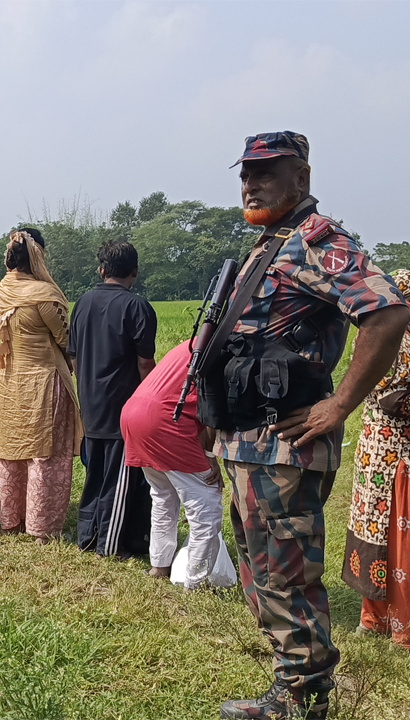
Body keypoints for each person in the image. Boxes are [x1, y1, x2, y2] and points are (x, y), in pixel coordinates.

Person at [212, 132, 408, 720]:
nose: (250, 185)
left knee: (286, 573)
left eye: (266, 173)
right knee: (260, 569)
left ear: (301, 178)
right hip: (248, 440)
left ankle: (301, 697)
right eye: (246, 174)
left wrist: (339, 405)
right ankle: (291, 679)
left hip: (283, 444)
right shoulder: (270, 242)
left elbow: (388, 311)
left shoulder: (317, 243)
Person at [0, 229, 82, 544]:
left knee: (12, 451)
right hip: (43, 381)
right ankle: (42, 528)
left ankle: (11, 521)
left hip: (10, 382)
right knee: (45, 453)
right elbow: (65, 338)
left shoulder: (1, 292)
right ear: (38, 255)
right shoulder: (44, 294)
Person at [68, 240, 157, 559]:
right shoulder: (137, 307)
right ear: (135, 271)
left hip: (90, 403)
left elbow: (74, 357)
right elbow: (145, 364)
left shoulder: (82, 303)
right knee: (118, 481)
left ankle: (86, 537)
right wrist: (152, 401)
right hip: (123, 407)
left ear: (101, 270)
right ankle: (109, 545)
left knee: (95, 475)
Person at [121, 342, 228, 588]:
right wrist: (209, 457)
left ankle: (159, 566)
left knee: (163, 495)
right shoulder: (223, 349)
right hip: (165, 420)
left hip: (134, 413)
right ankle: (196, 582)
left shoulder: (194, 343)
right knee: (206, 504)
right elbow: (211, 411)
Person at [345, 270, 410, 651]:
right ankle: (390, 623)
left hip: (376, 445)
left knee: (378, 529)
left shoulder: (370, 330)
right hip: (394, 450)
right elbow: (392, 396)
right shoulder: (397, 335)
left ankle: (374, 620)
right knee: (392, 533)